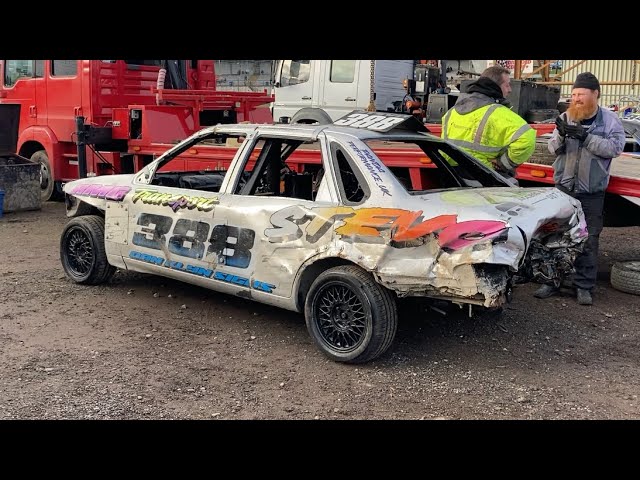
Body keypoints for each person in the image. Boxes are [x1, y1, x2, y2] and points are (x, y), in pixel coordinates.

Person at [533, 72, 626, 305]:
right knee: (554, 234)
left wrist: (586, 137)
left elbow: (614, 148)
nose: (576, 98)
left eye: (581, 94)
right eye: (574, 94)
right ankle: (551, 281)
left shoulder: (609, 121)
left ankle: (583, 286)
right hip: (563, 188)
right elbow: (552, 149)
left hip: (591, 192)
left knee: (588, 238)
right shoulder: (567, 116)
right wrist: (562, 137)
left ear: (595, 94)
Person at [441, 65, 536, 179]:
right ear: (495, 86)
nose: (510, 89)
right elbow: (527, 138)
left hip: (454, 180)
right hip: (486, 181)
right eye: (507, 85)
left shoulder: (451, 112)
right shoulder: (497, 113)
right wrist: (503, 163)